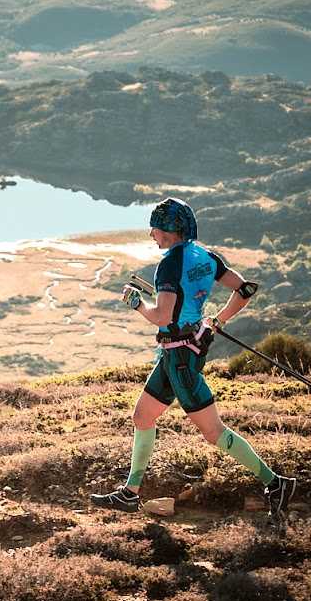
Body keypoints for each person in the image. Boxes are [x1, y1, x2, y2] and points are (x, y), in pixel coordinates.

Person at [90, 197, 296, 530]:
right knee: (143, 416)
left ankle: (275, 483)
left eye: (154, 230)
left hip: (181, 358)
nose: (152, 236)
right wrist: (217, 320)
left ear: (167, 231)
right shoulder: (206, 256)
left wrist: (137, 304)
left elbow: (162, 315)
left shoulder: (169, 265)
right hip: (180, 352)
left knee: (213, 431)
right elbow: (245, 288)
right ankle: (131, 492)